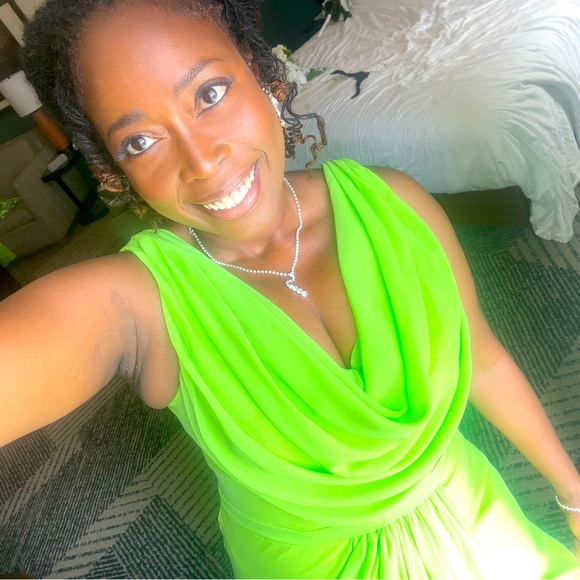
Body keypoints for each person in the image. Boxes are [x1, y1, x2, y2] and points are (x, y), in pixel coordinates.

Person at [1, 0, 579, 577]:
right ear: (113, 169)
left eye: (210, 94)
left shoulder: (396, 203)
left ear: (263, 74)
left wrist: (572, 494)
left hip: (473, 517)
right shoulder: (140, 299)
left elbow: (481, 360)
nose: (202, 162)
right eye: (140, 142)